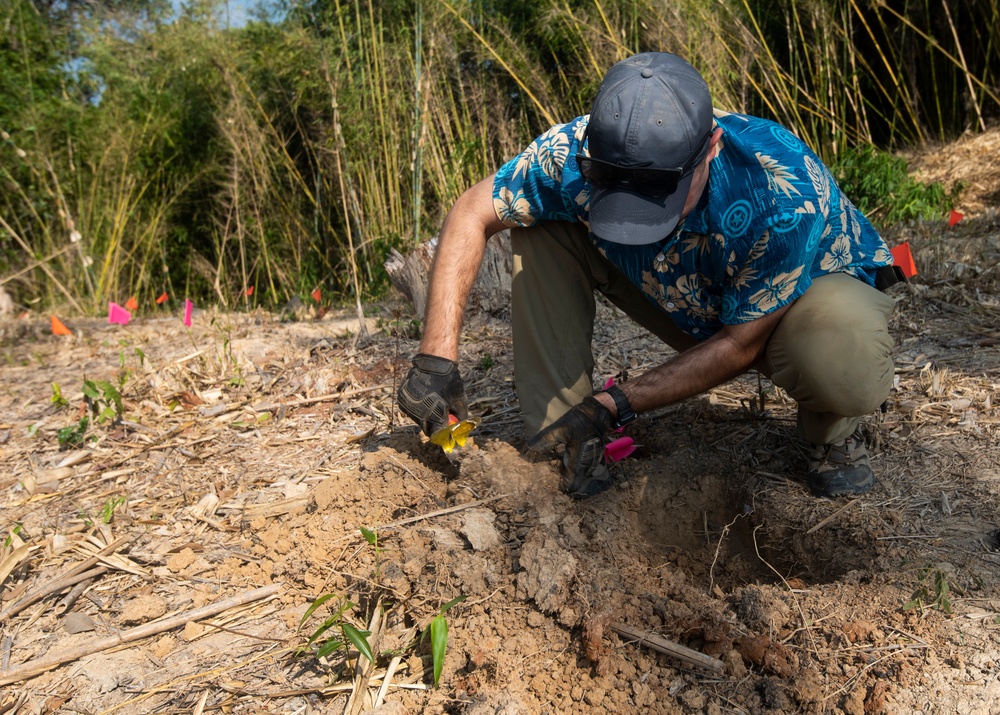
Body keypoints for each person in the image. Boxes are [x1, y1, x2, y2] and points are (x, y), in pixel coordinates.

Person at [397, 52, 903, 500]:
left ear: (711, 149)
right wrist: (436, 360)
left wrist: (614, 402)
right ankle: (562, 435)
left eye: (658, 195)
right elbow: (473, 209)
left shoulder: (781, 188)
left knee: (841, 351)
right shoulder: (571, 154)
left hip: (790, 312)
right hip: (685, 292)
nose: (635, 217)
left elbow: (741, 344)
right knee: (539, 222)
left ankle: (833, 434)